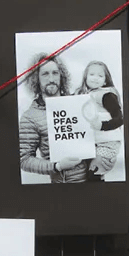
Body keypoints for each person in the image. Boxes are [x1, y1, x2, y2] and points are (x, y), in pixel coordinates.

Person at [18, 52, 92, 183]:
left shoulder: (78, 104)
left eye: (55, 73)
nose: (51, 79)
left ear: (61, 76)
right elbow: (24, 159)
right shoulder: (30, 117)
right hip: (63, 186)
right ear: (36, 79)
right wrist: (57, 166)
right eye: (45, 74)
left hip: (93, 180)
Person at [75, 60, 122, 181]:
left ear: (105, 80)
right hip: (90, 142)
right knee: (82, 175)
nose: (95, 78)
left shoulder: (106, 95)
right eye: (92, 74)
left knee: (94, 175)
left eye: (100, 76)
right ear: (85, 77)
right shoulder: (81, 94)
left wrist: (102, 125)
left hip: (106, 145)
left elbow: (120, 118)